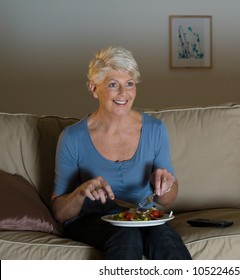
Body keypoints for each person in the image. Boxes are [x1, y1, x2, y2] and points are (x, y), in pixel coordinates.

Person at [51, 46, 192, 260]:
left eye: (129, 84)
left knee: (164, 238)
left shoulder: (155, 130)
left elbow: (167, 202)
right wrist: (81, 192)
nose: (123, 93)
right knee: (126, 234)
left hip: (142, 216)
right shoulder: (73, 137)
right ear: (93, 88)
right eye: (113, 84)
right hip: (91, 219)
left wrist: (166, 185)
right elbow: (60, 213)